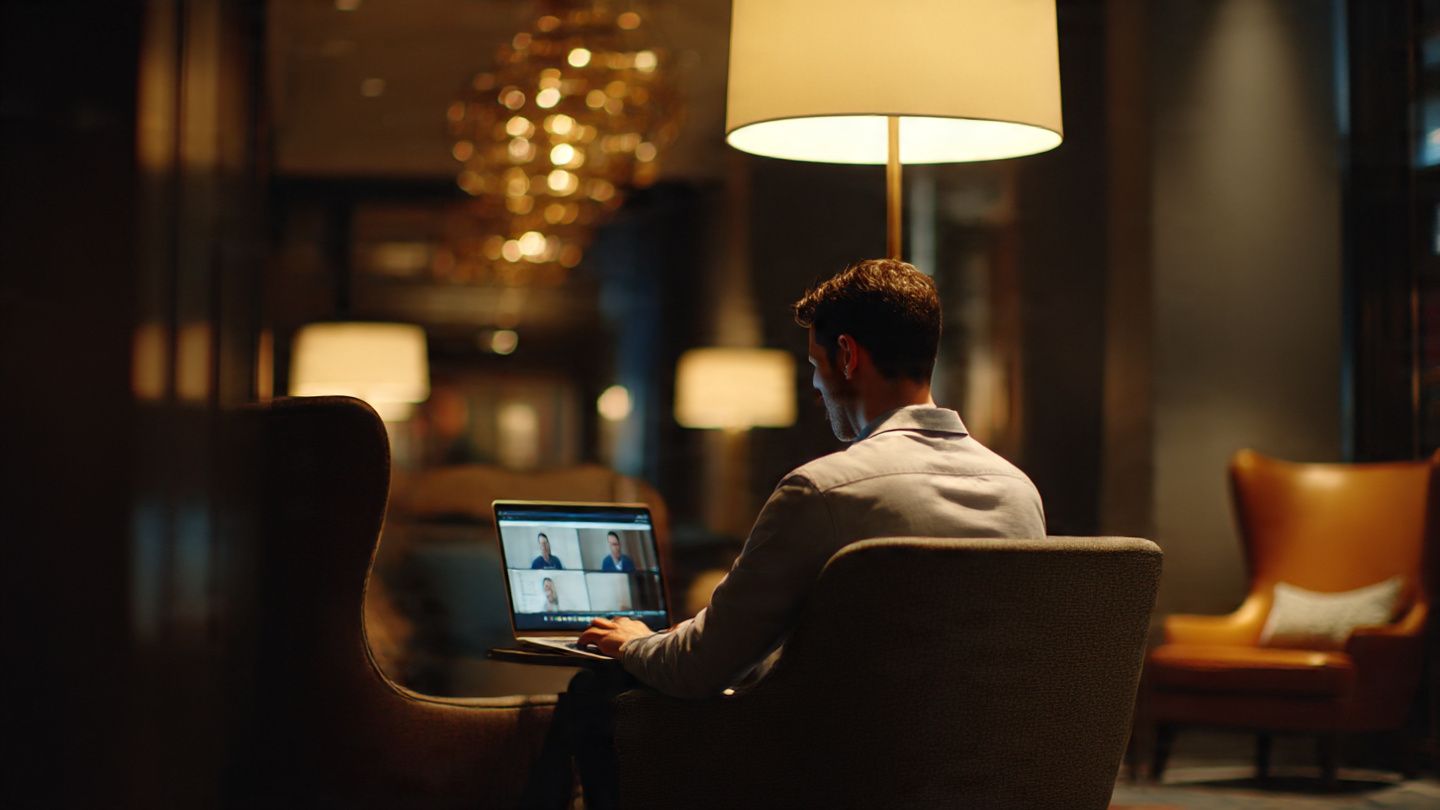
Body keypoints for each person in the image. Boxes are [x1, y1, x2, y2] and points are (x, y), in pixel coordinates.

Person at [527, 258, 1046, 807]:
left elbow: (702, 668)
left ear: (847, 355)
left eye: (817, 365)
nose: (817, 386)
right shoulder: (1019, 493)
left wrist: (636, 645)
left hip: (833, 772)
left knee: (597, 694)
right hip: (988, 773)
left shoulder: (824, 490)